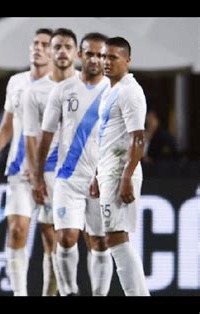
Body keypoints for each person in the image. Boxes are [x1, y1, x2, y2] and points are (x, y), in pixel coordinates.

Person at [33, 31, 113, 296]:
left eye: (100, 55)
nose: (94, 59)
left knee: (99, 242)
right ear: (81, 55)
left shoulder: (114, 91)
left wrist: (109, 174)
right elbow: (45, 136)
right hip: (67, 178)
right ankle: (68, 292)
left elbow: (121, 138)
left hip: (101, 181)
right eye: (89, 53)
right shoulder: (64, 90)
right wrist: (37, 178)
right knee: (66, 238)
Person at [0, 28, 53, 296]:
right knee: (17, 230)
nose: (38, 48)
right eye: (36, 42)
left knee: (52, 239)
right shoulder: (16, 81)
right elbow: (7, 126)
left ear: (54, 51)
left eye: (45, 44)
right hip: (19, 171)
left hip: (53, 172)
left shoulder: (65, 85)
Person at [96, 37, 150, 296]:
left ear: (127, 60)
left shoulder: (130, 90)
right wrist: (97, 174)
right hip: (108, 170)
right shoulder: (109, 90)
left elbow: (138, 137)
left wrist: (127, 176)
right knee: (113, 237)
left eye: (113, 57)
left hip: (120, 171)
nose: (106, 62)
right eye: (104, 57)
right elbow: (107, 135)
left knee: (116, 237)